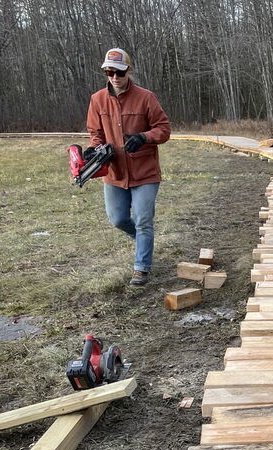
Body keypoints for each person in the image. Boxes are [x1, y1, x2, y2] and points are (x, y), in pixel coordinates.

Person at [86, 48, 171, 286]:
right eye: (109, 72)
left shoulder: (146, 97)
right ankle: (145, 241)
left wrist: (144, 137)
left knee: (144, 220)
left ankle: (141, 269)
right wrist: (95, 148)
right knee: (118, 219)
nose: (114, 77)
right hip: (115, 173)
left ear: (128, 71)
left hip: (145, 172)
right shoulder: (97, 100)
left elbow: (164, 130)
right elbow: (96, 133)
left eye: (119, 72)